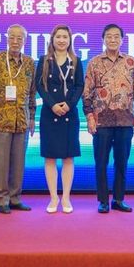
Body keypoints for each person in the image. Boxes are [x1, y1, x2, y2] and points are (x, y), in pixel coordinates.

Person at [83, 23, 134, 213]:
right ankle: (103, 200)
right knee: (101, 162)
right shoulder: (94, 62)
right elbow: (87, 92)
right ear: (103, 39)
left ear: (122, 39)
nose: (112, 39)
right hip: (101, 121)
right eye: (109, 36)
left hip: (125, 120)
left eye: (116, 36)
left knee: (121, 161)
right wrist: (89, 117)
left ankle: (118, 199)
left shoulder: (131, 62)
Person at [0, 24, 37, 214]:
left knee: (18, 162)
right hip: (0, 118)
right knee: (0, 162)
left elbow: (32, 92)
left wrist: (32, 117)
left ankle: (15, 198)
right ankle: (1, 199)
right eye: (12, 37)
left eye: (19, 38)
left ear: (24, 41)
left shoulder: (29, 62)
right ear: (6, 39)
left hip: (21, 119)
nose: (15, 41)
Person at [36, 25, 84, 214]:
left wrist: (69, 105)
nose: (62, 40)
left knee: (68, 157)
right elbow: (40, 86)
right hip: (50, 114)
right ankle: (53, 198)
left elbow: (79, 86)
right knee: (49, 157)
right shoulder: (44, 60)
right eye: (58, 37)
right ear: (52, 39)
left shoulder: (76, 61)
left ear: (70, 40)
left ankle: (65, 197)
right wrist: (53, 105)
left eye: (65, 37)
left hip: (69, 115)